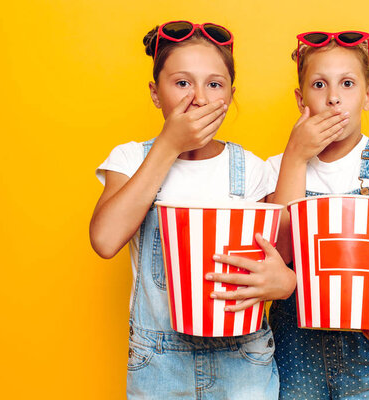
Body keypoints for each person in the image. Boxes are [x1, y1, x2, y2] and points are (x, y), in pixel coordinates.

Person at [89, 20, 294, 399]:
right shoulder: (132, 159)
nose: (198, 98)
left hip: (244, 359)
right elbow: (104, 240)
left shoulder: (251, 169)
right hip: (159, 362)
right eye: (182, 83)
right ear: (155, 93)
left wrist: (284, 283)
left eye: (213, 84)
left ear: (230, 95)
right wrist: (167, 147)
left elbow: (280, 257)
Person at [266, 30, 369, 399]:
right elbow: (278, 254)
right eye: (319, 84)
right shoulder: (276, 168)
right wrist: (295, 157)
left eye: (348, 83)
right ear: (300, 99)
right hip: (293, 360)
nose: (334, 97)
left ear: (368, 96)